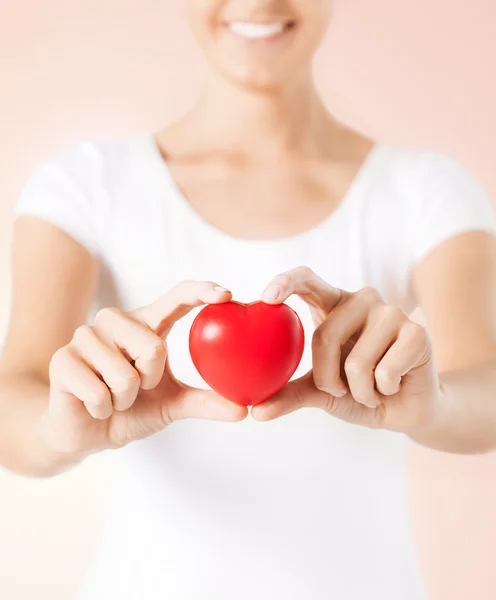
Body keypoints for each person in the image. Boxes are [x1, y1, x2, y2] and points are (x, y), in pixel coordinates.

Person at [1, 1, 496, 598]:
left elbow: (486, 389)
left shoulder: (428, 192)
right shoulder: (83, 185)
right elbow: (14, 401)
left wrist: (436, 406)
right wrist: (59, 428)